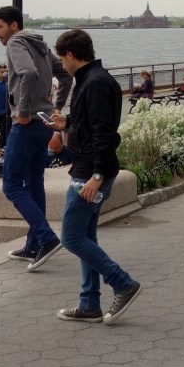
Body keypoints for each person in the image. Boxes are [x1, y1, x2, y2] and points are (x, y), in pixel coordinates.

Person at [47, 29, 142, 324]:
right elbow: (92, 123)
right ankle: (89, 304)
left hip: (90, 171)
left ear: (70, 55)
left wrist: (97, 175)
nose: (62, 64)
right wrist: (68, 122)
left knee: (71, 237)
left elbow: (103, 133)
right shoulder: (94, 78)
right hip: (90, 167)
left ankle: (123, 283)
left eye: (62, 58)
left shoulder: (94, 82)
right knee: (86, 236)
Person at [0, 5, 73, 270]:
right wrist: (56, 106)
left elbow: (28, 73)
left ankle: (47, 239)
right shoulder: (40, 45)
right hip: (44, 123)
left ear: (14, 25)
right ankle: (33, 245)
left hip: (26, 125)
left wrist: (24, 111)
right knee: (34, 183)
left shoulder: (16, 42)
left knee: (11, 186)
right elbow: (65, 74)